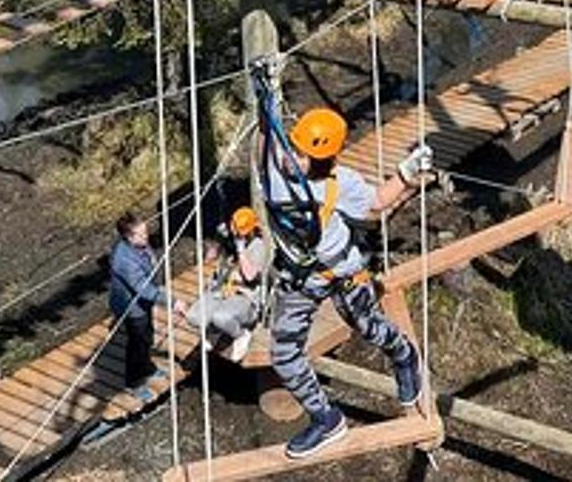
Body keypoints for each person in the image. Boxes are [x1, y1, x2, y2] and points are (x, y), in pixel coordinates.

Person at [264, 107, 431, 459]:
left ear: (322, 160)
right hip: (301, 279)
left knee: (369, 327)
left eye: (302, 155)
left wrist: (406, 172)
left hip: (344, 273)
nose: (292, 159)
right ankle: (327, 420)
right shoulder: (276, 169)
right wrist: (265, 94)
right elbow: (268, 134)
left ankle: (404, 355)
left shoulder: (340, 183)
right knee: (283, 354)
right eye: (292, 149)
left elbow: (377, 202)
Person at [109, 210, 188, 402]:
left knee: (147, 336)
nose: (147, 236)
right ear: (129, 237)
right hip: (132, 307)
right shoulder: (124, 260)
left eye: (146, 231)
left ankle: (147, 367)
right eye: (141, 234)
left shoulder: (139, 245)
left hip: (143, 304)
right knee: (137, 344)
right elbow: (143, 289)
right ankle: (134, 382)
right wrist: (172, 302)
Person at [183, 206, 270, 360]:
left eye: (241, 233)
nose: (237, 235)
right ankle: (214, 330)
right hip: (222, 290)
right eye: (235, 230)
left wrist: (241, 250)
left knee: (220, 317)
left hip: (244, 296)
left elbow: (250, 276)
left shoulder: (258, 247)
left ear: (251, 231)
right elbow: (217, 260)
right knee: (193, 317)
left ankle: (241, 335)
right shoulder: (230, 241)